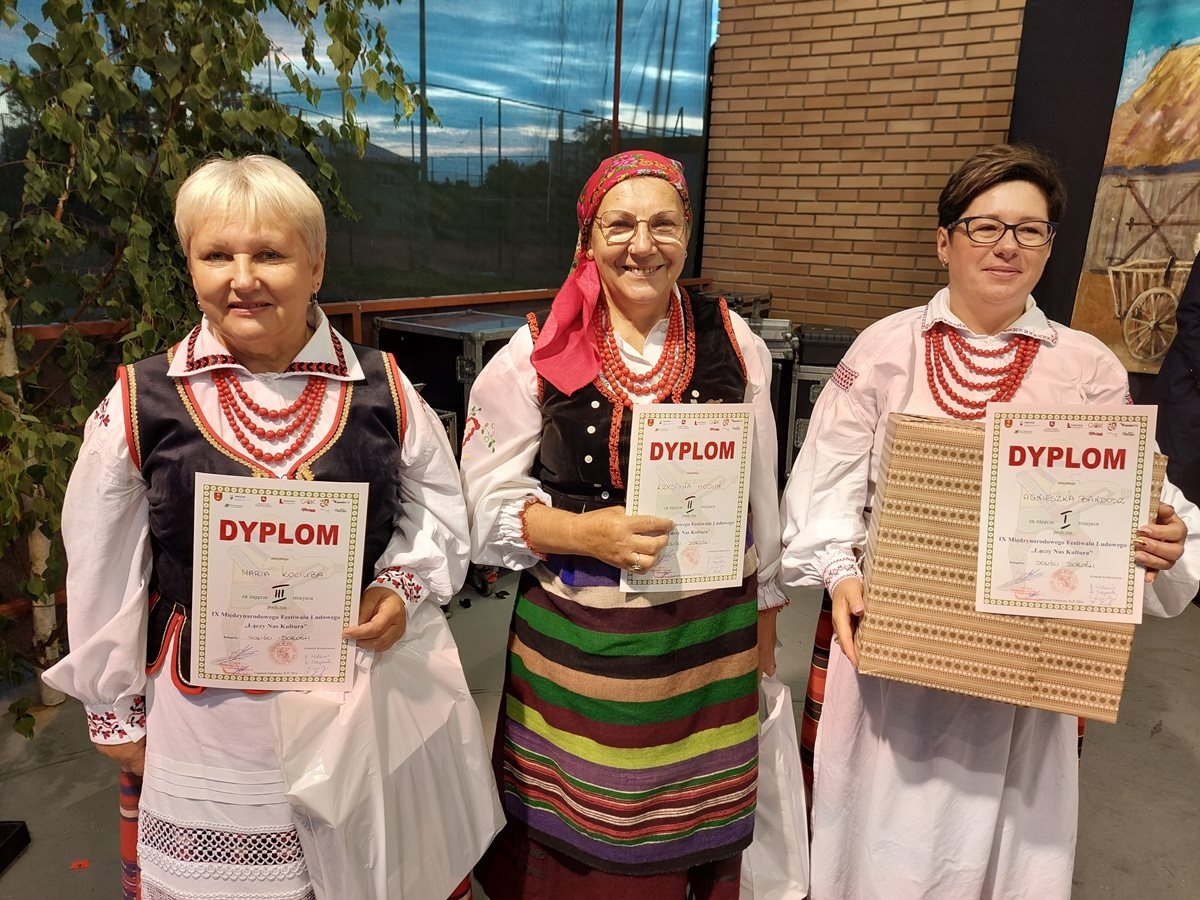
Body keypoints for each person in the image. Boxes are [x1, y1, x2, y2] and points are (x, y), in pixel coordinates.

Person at [42, 155, 472, 900]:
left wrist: (401, 587)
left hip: (355, 698)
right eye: (217, 255)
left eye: (269, 253)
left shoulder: (385, 388)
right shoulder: (141, 402)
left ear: (317, 264)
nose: (242, 279)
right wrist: (116, 709)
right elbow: (101, 561)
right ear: (191, 266)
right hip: (206, 719)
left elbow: (438, 507)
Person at [780, 143, 1200, 900]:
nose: (1008, 245)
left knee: (1000, 843)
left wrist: (1164, 534)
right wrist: (839, 572)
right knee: (879, 839)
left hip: (1024, 665)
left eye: (1030, 230)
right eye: (986, 226)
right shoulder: (886, 348)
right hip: (891, 646)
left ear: (1049, 246)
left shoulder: (1086, 368)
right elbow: (825, 482)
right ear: (945, 242)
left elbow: (1141, 495)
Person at [459, 149, 787, 900]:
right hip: (581, 639)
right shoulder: (538, 350)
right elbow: (476, 504)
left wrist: (767, 611)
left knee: (693, 825)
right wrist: (582, 534)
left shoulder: (734, 340)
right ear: (588, 237)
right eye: (620, 225)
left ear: (688, 234)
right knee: (585, 849)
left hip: (707, 641)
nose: (643, 245)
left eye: (664, 224)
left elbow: (759, 491)